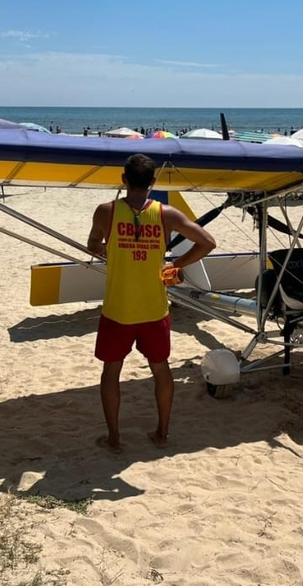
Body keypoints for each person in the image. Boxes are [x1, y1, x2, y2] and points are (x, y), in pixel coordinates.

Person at [87, 154, 216, 454]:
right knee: (161, 370)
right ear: (153, 182)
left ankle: (114, 439)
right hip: (154, 310)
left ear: (123, 180)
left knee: (111, 373)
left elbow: (93, 244)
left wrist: (109, 251)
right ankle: (162, 433)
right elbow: (207, 242)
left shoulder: (105, 212)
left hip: (118, 310)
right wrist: (175, 265)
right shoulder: (166, 214)